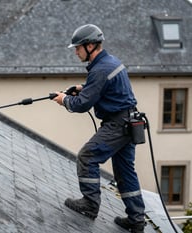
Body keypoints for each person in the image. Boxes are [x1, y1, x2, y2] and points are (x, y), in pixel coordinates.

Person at [53, 24, 146, 233]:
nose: (76, 51)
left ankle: (89, 204)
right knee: (124, 172)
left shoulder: (101, 69)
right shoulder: (109, 63)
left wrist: (64, 99)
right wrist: (82, 89)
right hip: (128, 123)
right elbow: (104, 91)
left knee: (87, 156)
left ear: (91, 45)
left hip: (118, 124)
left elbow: (82, 105)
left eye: (78, 47)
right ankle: (137, 220)